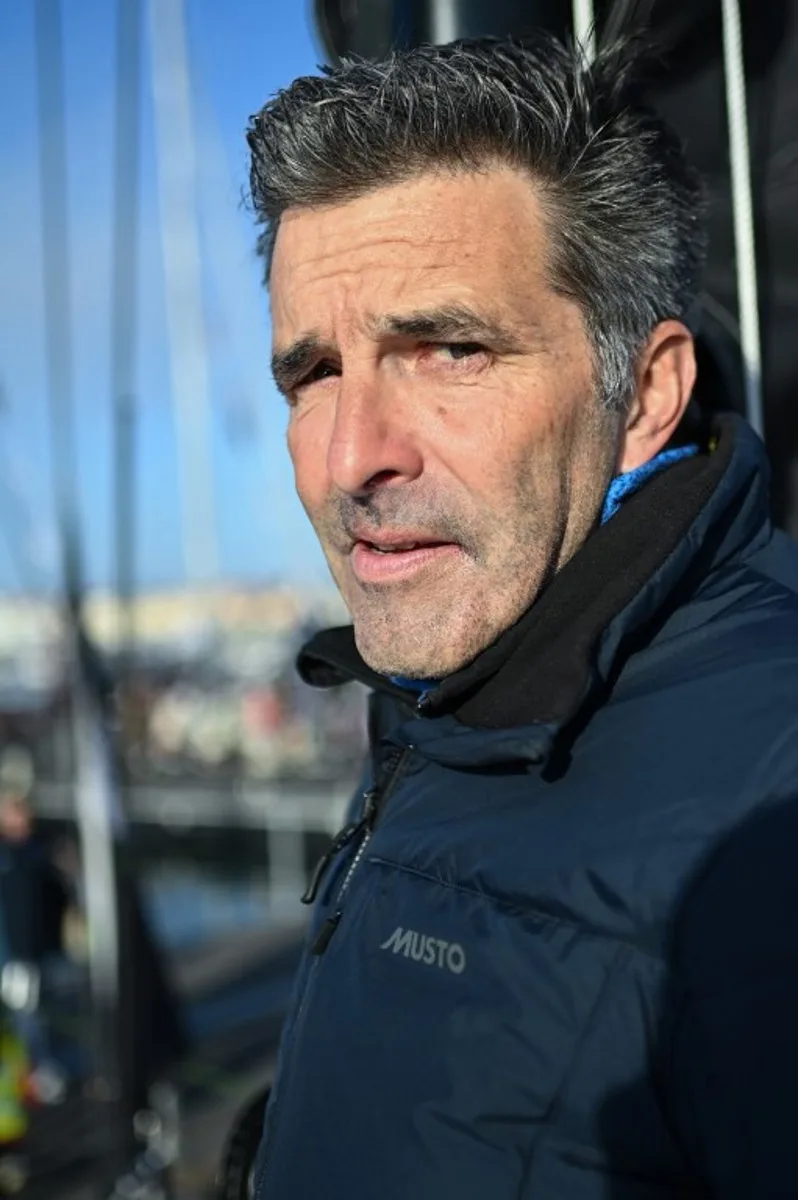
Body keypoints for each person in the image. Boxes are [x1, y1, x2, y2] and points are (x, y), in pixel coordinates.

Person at [243, 31, 798, 1200]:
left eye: (449, 349)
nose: (352, 459)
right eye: (314, 374)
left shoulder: (771, 808)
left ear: (644, 395)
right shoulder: (455, 681)